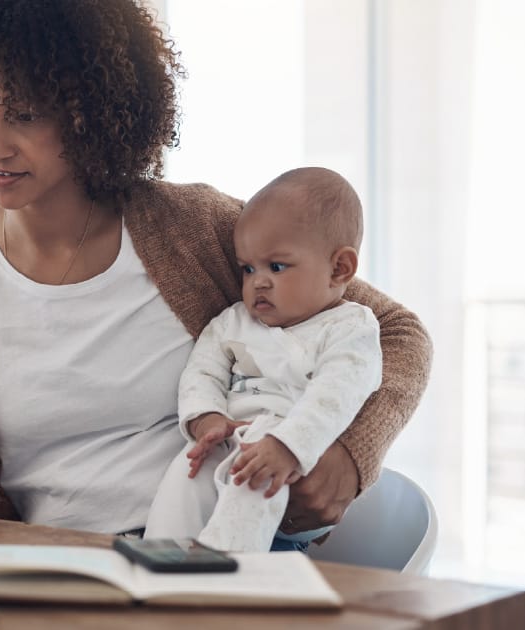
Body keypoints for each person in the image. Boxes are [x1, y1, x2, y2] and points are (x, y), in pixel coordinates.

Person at [0, 0, 432, 548]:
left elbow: (394, 332)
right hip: (30, 580)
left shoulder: (197, 230)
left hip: (197, 568)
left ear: (94, 111)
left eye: (24, 113)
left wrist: (348, 453)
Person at [144, 167, 382, 552]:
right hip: (232, 440)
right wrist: (207, 418)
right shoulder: (234, 322)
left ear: (339, 269)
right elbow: (201, 372)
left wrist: (287, 445)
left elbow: (336, 397)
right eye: (248, 268)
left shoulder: (352, 328)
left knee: (255, 467)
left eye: (277, 267)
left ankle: (228, 560)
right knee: (188, 469)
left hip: (295, 463)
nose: (258, 282)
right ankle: (160, 556)